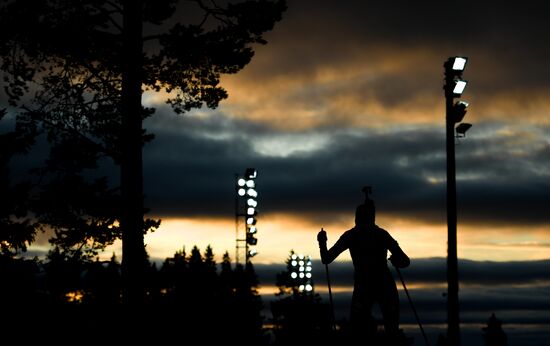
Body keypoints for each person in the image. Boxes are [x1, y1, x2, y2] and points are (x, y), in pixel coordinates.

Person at [317, 187, 410, 343]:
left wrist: (322, 243)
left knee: (362, 329)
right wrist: (396, 260)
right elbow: (405, 261)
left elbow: (326, 258)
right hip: (380, 284)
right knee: (388, 328)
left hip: (367, 285)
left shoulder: (353, 235)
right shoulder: (380, 234)